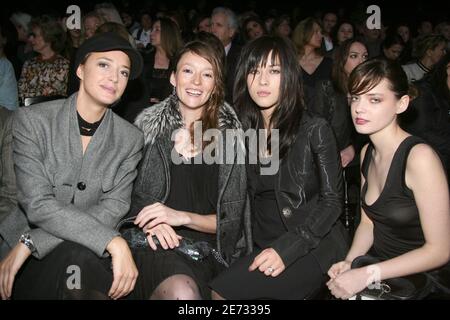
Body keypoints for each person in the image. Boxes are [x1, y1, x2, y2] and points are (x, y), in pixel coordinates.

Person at [0, 32, 144, 300]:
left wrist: (32, 242)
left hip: (73, 249)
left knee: (78, 268)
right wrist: (114, 242)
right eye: (104, 65)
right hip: (20, 257)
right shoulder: (33, 121)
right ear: (80, 69)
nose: (114, 77)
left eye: (123, 73)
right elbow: (37, 204)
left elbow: (113, 209)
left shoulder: (130, 139)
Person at [210, 36, 348, 300]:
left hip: (312, 244)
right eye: (254, 70)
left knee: (224, 296)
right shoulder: (243, 132)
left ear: (289, 77)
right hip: (262, 243)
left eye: (274, 71)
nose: (262, 81)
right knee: (217, 290)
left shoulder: (314, 129)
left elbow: (332, 202)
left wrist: (289, 249)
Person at [122, 40, 252, 300]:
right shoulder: (145, 131)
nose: (196, 82)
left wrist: (181, 217)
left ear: (215, 85)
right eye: (188, 71)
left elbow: (231, 223)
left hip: (206, 251)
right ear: (173, 77)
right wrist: (147, 224)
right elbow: (122, 201)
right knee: (182, 292)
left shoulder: (231, 139)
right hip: (153, 245)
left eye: (207, 74)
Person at [327, 59, 450, 300]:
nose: (359, 108)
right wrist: (350, 261)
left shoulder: (419, 158)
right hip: (381, 269)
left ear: (401, 104)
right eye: (355, 97)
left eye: (374, 99)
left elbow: (441, 250)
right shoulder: (367, 153)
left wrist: (368, 273)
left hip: (422, 279)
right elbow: (368, 222)